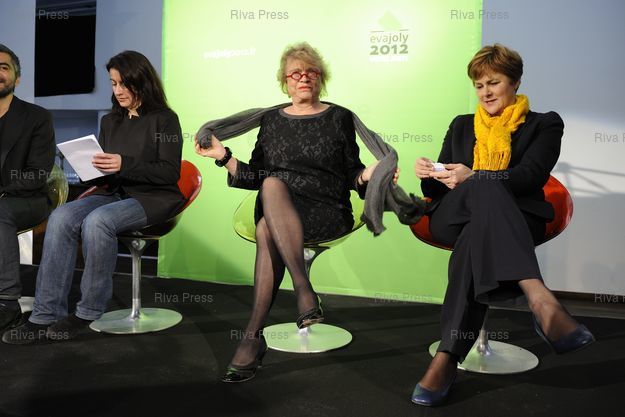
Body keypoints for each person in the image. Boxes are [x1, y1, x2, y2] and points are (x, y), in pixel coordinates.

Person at [411, 44, 594, 406]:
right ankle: (538, 297)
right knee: (482, 187)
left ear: (515, 82)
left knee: (474, 232)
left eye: (493, 83)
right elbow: (437, 189)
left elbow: (530, 177)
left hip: (516, 217)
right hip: (453, 214)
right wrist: (429, 174)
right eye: (479, 85)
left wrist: (476, 176)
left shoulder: (545, 123)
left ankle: (446, 357)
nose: (486, 92)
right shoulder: (462, 124)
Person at [195, 42, 384, 383]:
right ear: (285, 81)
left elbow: (351, 175)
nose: (304, 78)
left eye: (311, 72)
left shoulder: (340, 117)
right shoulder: (270, 120)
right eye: (295, 73)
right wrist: (224, 157)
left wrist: (368, 175)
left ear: (321, 78)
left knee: (266, 227)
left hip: (326, 208)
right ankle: (302, 293)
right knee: (271, 187)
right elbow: (256, 176)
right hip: (278, 204)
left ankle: (255, 335)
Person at [3, 50, 184, 344]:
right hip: (115, 192)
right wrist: (91, 169)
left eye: (124, 84)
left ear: (142, 82)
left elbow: (169, 172)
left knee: (98, 221)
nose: (118, 91)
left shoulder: (165, 120)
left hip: (155, 198)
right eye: (113, 83)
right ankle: (45, 314)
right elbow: (108, 173)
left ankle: (89, 310)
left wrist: (124, 163)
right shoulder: (111, 121)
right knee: (61, 216)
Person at [0, 44, 56, 332]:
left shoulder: (37, 117)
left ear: (17, 78)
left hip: (28, 199)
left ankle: (7, 302)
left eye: (4, 67)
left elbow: (38, 174)